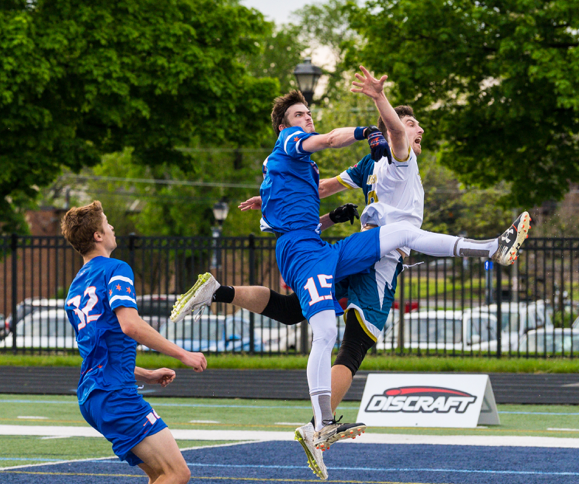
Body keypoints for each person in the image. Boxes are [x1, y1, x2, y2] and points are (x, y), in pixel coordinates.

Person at [170, 68, 530, 480]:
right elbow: (344, 138)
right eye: (300, 114)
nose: (418, 130)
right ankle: (321, 424)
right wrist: (371, 120)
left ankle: (218, 292)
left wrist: (283, 200)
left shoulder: (349, 167)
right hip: (342, 258)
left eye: (308, 113)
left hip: (330, 247)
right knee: (341, 338)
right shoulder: (378, 152)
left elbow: (318, 190)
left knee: (294, 310)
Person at [62, 201, 207, 484]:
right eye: (107, 223)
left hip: (93, 394)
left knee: (161, 475)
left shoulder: (75, 288)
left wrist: (146, 375)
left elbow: (99, 353)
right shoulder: (116, 268)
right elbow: (130, 325)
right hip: (114, 394)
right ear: (98, 235)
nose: (112, 226)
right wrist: (183, 354)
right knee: (177, 473)